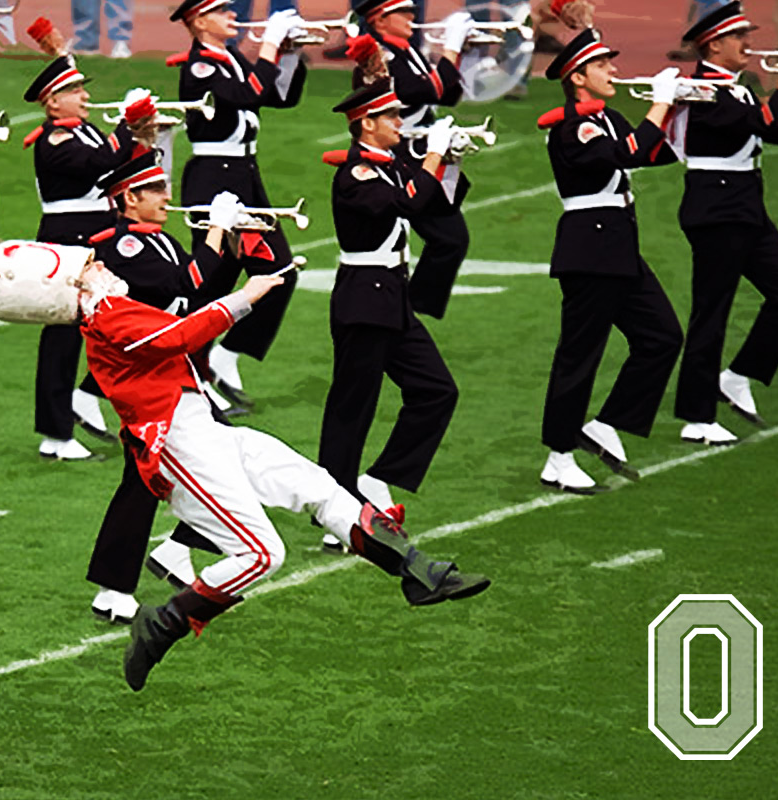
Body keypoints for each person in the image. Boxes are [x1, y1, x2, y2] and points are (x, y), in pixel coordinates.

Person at [77, 258, 490, 692]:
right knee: (262, 555)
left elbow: (180, 324)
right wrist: (245, 296)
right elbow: (181, 335)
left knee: (322, 489)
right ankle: (164, 623)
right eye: (88, 265)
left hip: (204, 431)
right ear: (76, 288)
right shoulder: (106, 317)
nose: (99, 263)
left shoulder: (111, 312)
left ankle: (421, 574)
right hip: (182, 446)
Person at [83, 151, 244, 623]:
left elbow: (201, 290)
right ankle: (126, 580)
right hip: (145, 377)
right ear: (129, 198)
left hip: (173, 370)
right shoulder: (122, 247)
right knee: (155, 474)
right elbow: (186, 281)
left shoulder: (160, 240)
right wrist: (214, 230)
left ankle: (145, 567)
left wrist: (233, 239)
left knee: (151, 477)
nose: (168, 197)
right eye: (156, 191)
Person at [536, 29, 685, 492]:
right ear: (578, 76)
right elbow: (626, 153)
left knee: (662, 336)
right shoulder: (570, 127)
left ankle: (605, 426)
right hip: (590, 250)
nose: (613, 71)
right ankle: (558, 457)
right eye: (602, 66)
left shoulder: (608, 116)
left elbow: (654, 153)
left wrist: (679, 108)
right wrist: (659, 104)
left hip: (619, 249)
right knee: (579, 356)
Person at [316, 80, 459, 535]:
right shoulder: (356, 174)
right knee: (351, 408)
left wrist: (448, 161)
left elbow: (438, 202)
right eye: (392, 116)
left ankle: (377, 480)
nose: (401, 122)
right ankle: (334, 509)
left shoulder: (394, 166)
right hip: (364, 296)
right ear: (368, 124)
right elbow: (407, 202)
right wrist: (432, 156)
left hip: (392, 296)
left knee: (437, 390)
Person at [671, 2, 778, 445]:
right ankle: (696, 416)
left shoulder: (735, 87)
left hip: (745, 206)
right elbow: (766, 122)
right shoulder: (704, 89)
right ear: (714, 44)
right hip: (717, 211)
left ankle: (738, 375)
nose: (748, 42)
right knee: (712, 311)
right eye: (739, 36)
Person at [170, 0, 307, 410]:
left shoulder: (227, 57)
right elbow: (248, 94)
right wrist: (268, 44)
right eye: (223, 11)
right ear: (199, 21)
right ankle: (196, 363)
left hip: (243, 174)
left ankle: (211, 360)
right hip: (216, 178)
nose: (234, 16)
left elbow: (279, 96)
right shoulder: (200, 67)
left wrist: (292, 52)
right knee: (254, 274)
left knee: (225, 283)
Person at [21, 40, 149, 461]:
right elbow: (100, 164)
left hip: (98, 232)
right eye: (77, 91)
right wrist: (128, 126)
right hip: (67, 239)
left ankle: (88, 395)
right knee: (62, 335)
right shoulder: (54, 139)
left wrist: (144, 133)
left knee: (124, 316)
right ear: (54, 102)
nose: (87, 96)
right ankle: (55, 433)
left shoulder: (84, 129)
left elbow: (121, 164)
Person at [351, 0, 474, 321]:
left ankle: (408, 311)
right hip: (398, 158)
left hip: (416, 153)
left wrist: (457, 54)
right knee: (446, 238)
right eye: (402, 13)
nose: (412, 16)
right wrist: (451, 47)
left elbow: (449, 94)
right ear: (380, 20)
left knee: (447, 238)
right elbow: (422, 90)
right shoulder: (381, 56)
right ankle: (409, 311)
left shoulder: (407, 51)